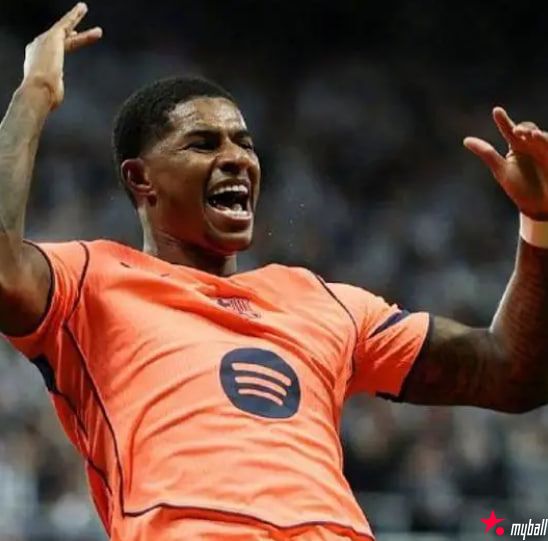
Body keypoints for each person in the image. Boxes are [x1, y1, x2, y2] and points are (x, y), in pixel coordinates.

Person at [1, 3, 547, 540]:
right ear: (141, 179)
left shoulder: (322, 301)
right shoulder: (92, 280)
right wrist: (35, 91)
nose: (237, 158)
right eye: (203, 143)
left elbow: (510, 372)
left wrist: (540, 222)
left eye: (245, 143)